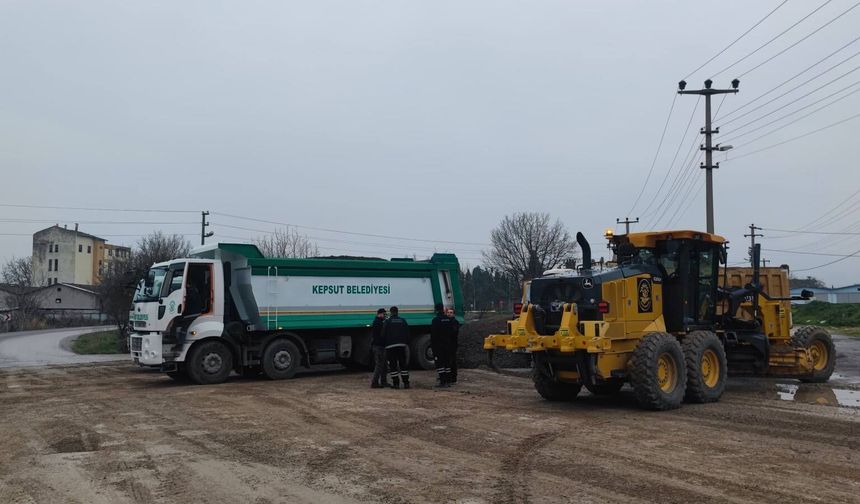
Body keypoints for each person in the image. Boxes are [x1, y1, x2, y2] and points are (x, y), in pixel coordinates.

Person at [382, 306, 410, 389]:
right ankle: (406, 383)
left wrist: (385, 343)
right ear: (397, 312)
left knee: (393, 365)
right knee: (403, 365)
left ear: (391, 312)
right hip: (401, 345)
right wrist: (405, 343)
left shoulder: (387, 321)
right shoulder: (403, 321)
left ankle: (396, 384)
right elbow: (407, 333)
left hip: (390, 346)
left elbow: (383, 334)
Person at [430, 303, 453, 387]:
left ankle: (442, 382)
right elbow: (451, 332)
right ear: (443, 309)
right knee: (447, 363)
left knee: (440, 363)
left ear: (436, 309)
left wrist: (433, 346)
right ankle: (448, 381)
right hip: (448, 344)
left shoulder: (435, 320)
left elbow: (433, 335)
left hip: (439, 345)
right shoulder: (448, 319)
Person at [370, 308, 388, 388]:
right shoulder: (379, 323)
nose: (385, 316)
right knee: (379, 365)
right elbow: (382, 334)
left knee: (383, 365)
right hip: (379, 346)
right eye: (384, 314)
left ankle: (383, 382)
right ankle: (375, 382)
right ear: (379, 314)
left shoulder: (377, 322)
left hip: (378, 346)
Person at [446, 306, 461, 384]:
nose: (449, 314)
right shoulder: (446, 321)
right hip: (447, 344)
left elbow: (454, 333)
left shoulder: (455, 322)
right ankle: (448, 377)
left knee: (452, 361)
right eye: (448, 312)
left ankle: (453, 378)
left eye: (451, 313)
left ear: (453, 314)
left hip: (452, 344)